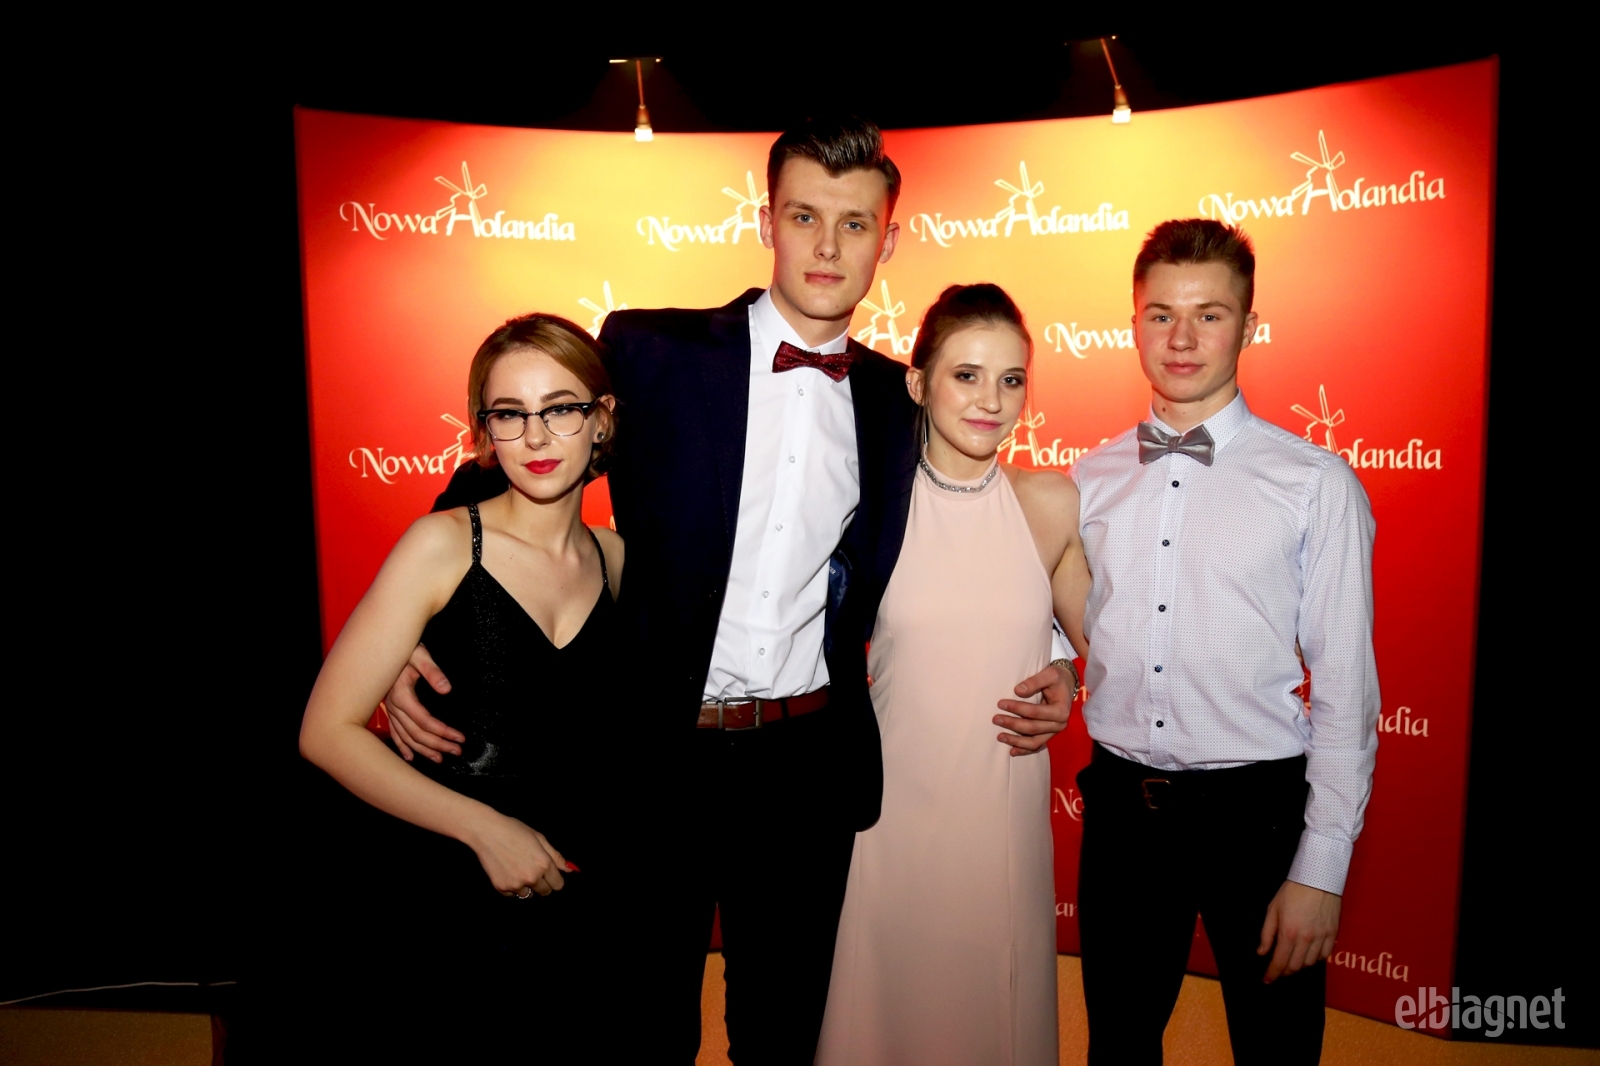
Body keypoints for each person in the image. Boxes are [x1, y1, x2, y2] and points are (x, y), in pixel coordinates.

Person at [382, 118, 1079, 1064]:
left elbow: (977, 520)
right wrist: (420, 627)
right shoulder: (650, 350)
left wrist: (1057, 657)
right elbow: (521, 443)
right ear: (765, 222)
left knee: (782, 1037)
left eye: (855, 223)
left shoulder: (895, 398)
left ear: (889, 241)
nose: (828, 246)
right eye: (804, 216)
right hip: (657, 757)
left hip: (805, 766)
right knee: (644, 1031)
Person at [1071, 218, 1379, 1066]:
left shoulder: (1315, 484)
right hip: (1123, 818)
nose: (1181, 338)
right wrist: (1058, 666)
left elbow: (1347, 691)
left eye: (1209, 314)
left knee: (1277, 1052)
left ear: (1249, 325)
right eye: (1161, 314)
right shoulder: (1088, 479)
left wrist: (1320, 870)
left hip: (1261, 821)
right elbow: (1072, 623)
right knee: (1117, 1050)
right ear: (1134, 323)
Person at [296, 313, 625, 1058]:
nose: (536, 438)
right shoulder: (442, 543)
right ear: (485, 431)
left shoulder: (617, 560)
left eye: (561, 409)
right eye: (511, 414)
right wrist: (485, 829)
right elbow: (326, 731)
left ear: (601, 419)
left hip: (569, 887)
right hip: (441, 888)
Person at [815, 284, 1089, 1066]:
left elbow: (1109, 645)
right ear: (918, 383)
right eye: (966, 375)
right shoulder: (865, 510)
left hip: (1000, 808)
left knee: (991, 1010)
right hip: (891, 809)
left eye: (1011, 379)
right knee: (887, 1011)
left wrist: (1065, 670)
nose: (991, 401)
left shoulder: (1049, 503)